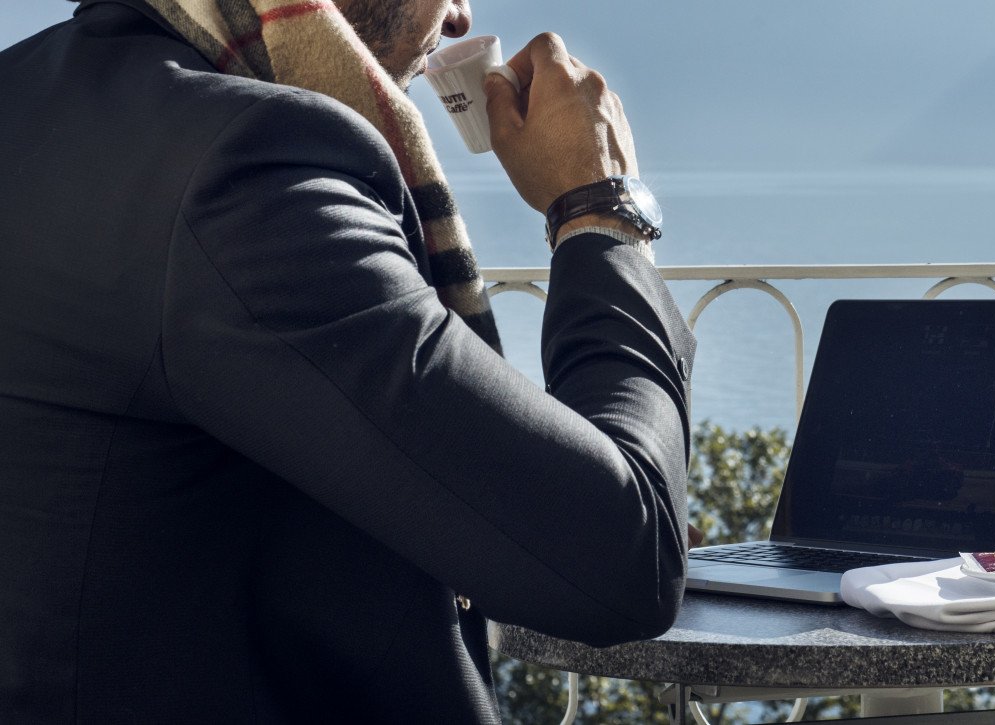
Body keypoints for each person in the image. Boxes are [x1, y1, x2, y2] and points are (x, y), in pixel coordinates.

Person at [0, 0, 697, 721]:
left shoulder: (26, 91)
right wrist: (601, 212)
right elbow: (621, 555)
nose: (460, 17)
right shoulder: (253, 167)